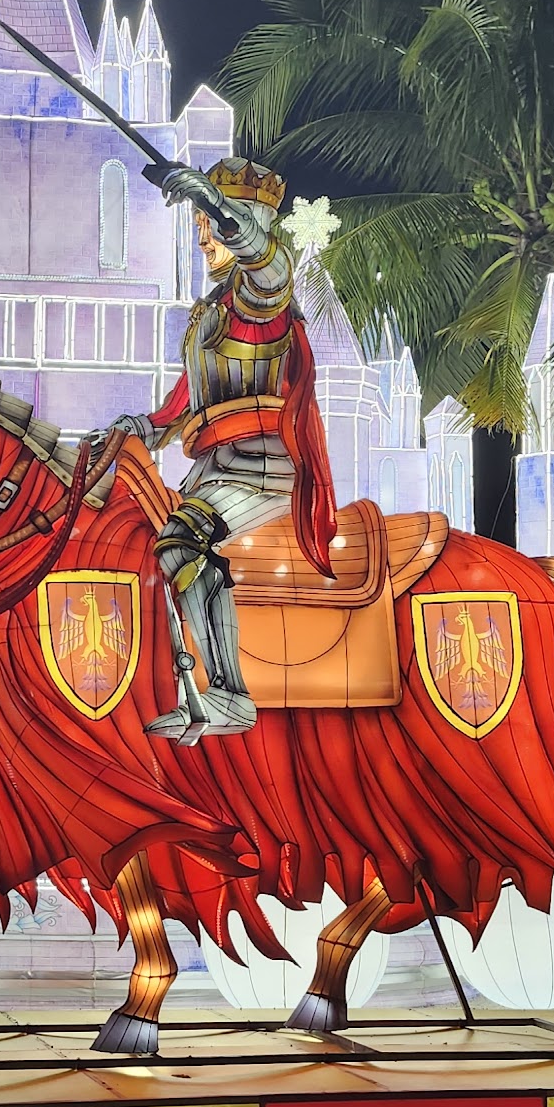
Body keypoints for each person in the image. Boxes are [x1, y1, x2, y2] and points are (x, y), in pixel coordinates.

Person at [107, 157, 336, 740]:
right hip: (212, 470)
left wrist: (215, 203)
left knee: (181, 540)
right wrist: (138, 427)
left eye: (212, 224)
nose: (205, 237)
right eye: (200, 225)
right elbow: (182, 403)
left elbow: (268, 266)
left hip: (261, 468)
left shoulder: (262, 298)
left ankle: (230, 695)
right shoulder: (211, 312)